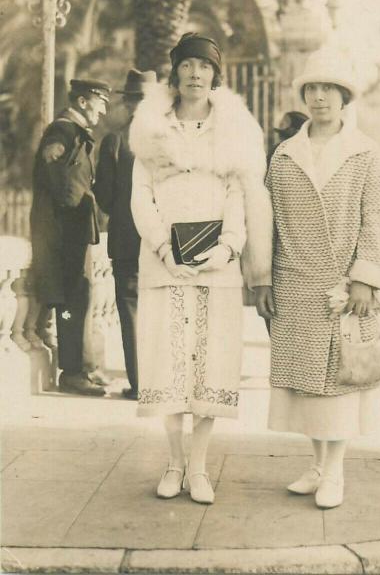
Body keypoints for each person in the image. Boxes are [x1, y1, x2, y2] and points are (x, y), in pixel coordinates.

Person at [129, 32, 271, 505]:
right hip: (163, 263)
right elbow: (140, 197)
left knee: (211, 364)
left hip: (217, 267)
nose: (195, 75)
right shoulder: (150, 126)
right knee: (166, 363)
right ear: (175, 72)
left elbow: (239, 194)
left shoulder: (233, 129)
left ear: (215, 75)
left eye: (204, 67)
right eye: (187, 66)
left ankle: (200, 467)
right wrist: (163, 247)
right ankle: (173, 462)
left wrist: (229, 248)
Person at [255, 48, 380, 510]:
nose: (319, 98)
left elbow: (376, 217)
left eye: (329, 90)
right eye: (312, 89)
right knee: (306, 384)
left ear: (344, 97)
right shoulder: (284, 153)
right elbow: (268, 220)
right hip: (294, 280)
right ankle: (317, 465)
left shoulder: (364, 152)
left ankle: (335, 472)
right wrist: (263, 279)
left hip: (343, 286)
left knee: (340, 382)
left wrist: (364, 278)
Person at [30, 79, 111, 396]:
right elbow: (62, 187)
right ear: (82, 101)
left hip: (73, 230)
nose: (103, 111)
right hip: (63, 232)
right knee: (69, 299)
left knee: (80, 297)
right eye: (99, 103)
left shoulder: (75, 134)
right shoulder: (62, 133)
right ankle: (72, 372)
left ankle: (84, 367)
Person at [94, 68, 157, 400]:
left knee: (131, 308)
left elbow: (103, 195)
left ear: (129, 103)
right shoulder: (169, 139)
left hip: (126, 240)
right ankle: (162, 382)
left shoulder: (114, 141)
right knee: (161, 308)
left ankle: (140, 383)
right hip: (163, 241)